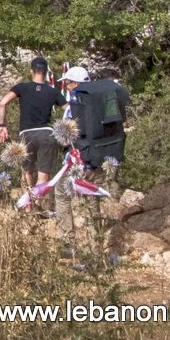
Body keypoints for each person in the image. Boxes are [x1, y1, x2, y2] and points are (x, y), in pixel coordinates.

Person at [55, 65, 130, 248]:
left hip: (82, 159)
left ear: (75, 83)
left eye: (67, 83)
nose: (66, 87)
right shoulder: (104, 98)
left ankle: (68, 243)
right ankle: (94, 251)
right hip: (105, 156)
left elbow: (65, 139)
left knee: (61, 192)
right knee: (92, 202)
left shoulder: (77, 102)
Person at [0, 56, 66, 195]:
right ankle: (39, 203)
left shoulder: (22, 88)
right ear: (46, 72)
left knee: (27, 172)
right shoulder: (53, 91)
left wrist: (2, 125)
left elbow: (2, 103)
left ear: (31, 71)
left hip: (26, 134)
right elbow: (69, 109)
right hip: (47, 134)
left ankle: (28, 207)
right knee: (43, 175)